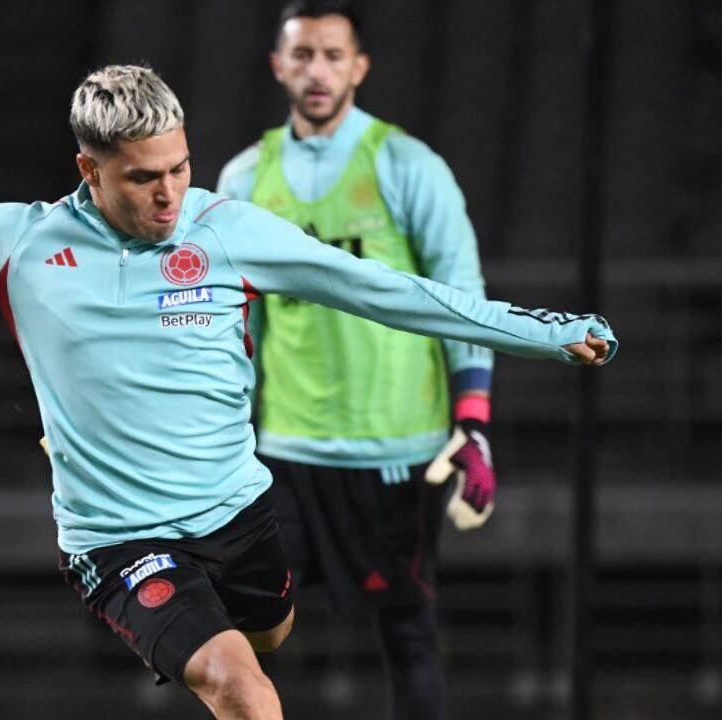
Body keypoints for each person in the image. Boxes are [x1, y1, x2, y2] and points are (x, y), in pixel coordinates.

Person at [0, 64, 615, 720]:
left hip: (241, 512)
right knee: (241, 687)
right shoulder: (18, 244)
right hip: (121, 541)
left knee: (269, 631)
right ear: (89, 170)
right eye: (143, 179)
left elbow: (390, 294)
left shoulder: (227, 230)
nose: (169, 196)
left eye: (180, 170)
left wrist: (544, 333)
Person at [215, 3, 527, 717]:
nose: (317, 70)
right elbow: (233, 326)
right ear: (277, 67)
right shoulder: (242, 180)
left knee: (408, 634)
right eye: (302, 56)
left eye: (332, 54)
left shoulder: (408, 167)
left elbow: (460, 299)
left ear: (359, 66)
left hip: (398, 453)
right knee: (240, 630)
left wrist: (473, 421)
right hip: (285, 454)